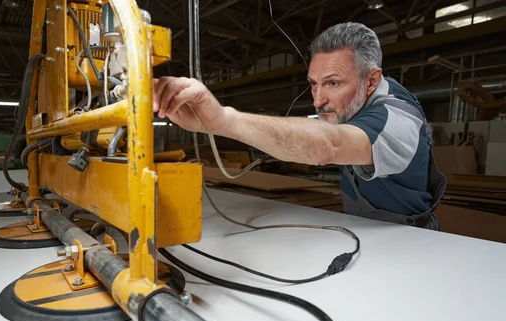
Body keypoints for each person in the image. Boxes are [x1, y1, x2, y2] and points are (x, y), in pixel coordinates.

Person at [153, 22, 446, 230]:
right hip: (366, 230)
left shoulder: (395, 122)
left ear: (371, 80)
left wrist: (222, 120)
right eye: (313, 85)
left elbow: (329, 145)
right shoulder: (359, 101)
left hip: (409, 241)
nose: (318, 100)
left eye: (333, 83)